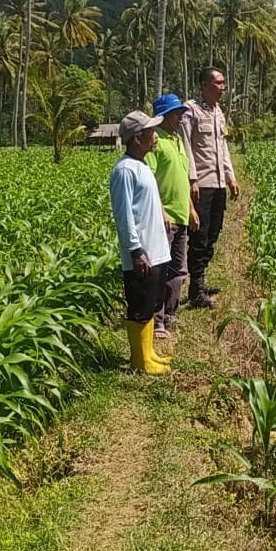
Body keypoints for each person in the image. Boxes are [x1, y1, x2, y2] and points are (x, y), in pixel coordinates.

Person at [110, 110, 172, 375]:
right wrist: (135, 250)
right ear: (137, 138)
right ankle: (139, 361)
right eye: (151, 132)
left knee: (149, 304)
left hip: (155, 250)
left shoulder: (142, 165)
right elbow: (124, 215)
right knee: (139, 306)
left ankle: (148, 353)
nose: (155, 136)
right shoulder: (124, 170)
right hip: (142, 253)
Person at [180, 66, 240, 309]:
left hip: (218, 184)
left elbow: (222, 148)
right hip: (201, 184)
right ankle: (195, 289)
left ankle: (201, 280)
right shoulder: (190, 111)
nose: (223, 87)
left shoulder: (218, 112)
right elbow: (185, 146)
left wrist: (230, 177)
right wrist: (192, 179)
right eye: (219, 83)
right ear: (205, 85)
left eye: (224, 83)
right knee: (199, 236)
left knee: (213, 233)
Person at [144, 93, 200, 339]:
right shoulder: (156, 141)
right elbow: (150, 181)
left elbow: (182, 180)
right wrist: (162, 210)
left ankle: (169, 313)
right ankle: (156, 320)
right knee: (160, 270)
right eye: (177, 114)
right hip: (164, 217)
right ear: (164, 117)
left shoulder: (177, 140)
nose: (180, 118)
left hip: (181, 215)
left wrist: (191, 208)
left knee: (179, 270)